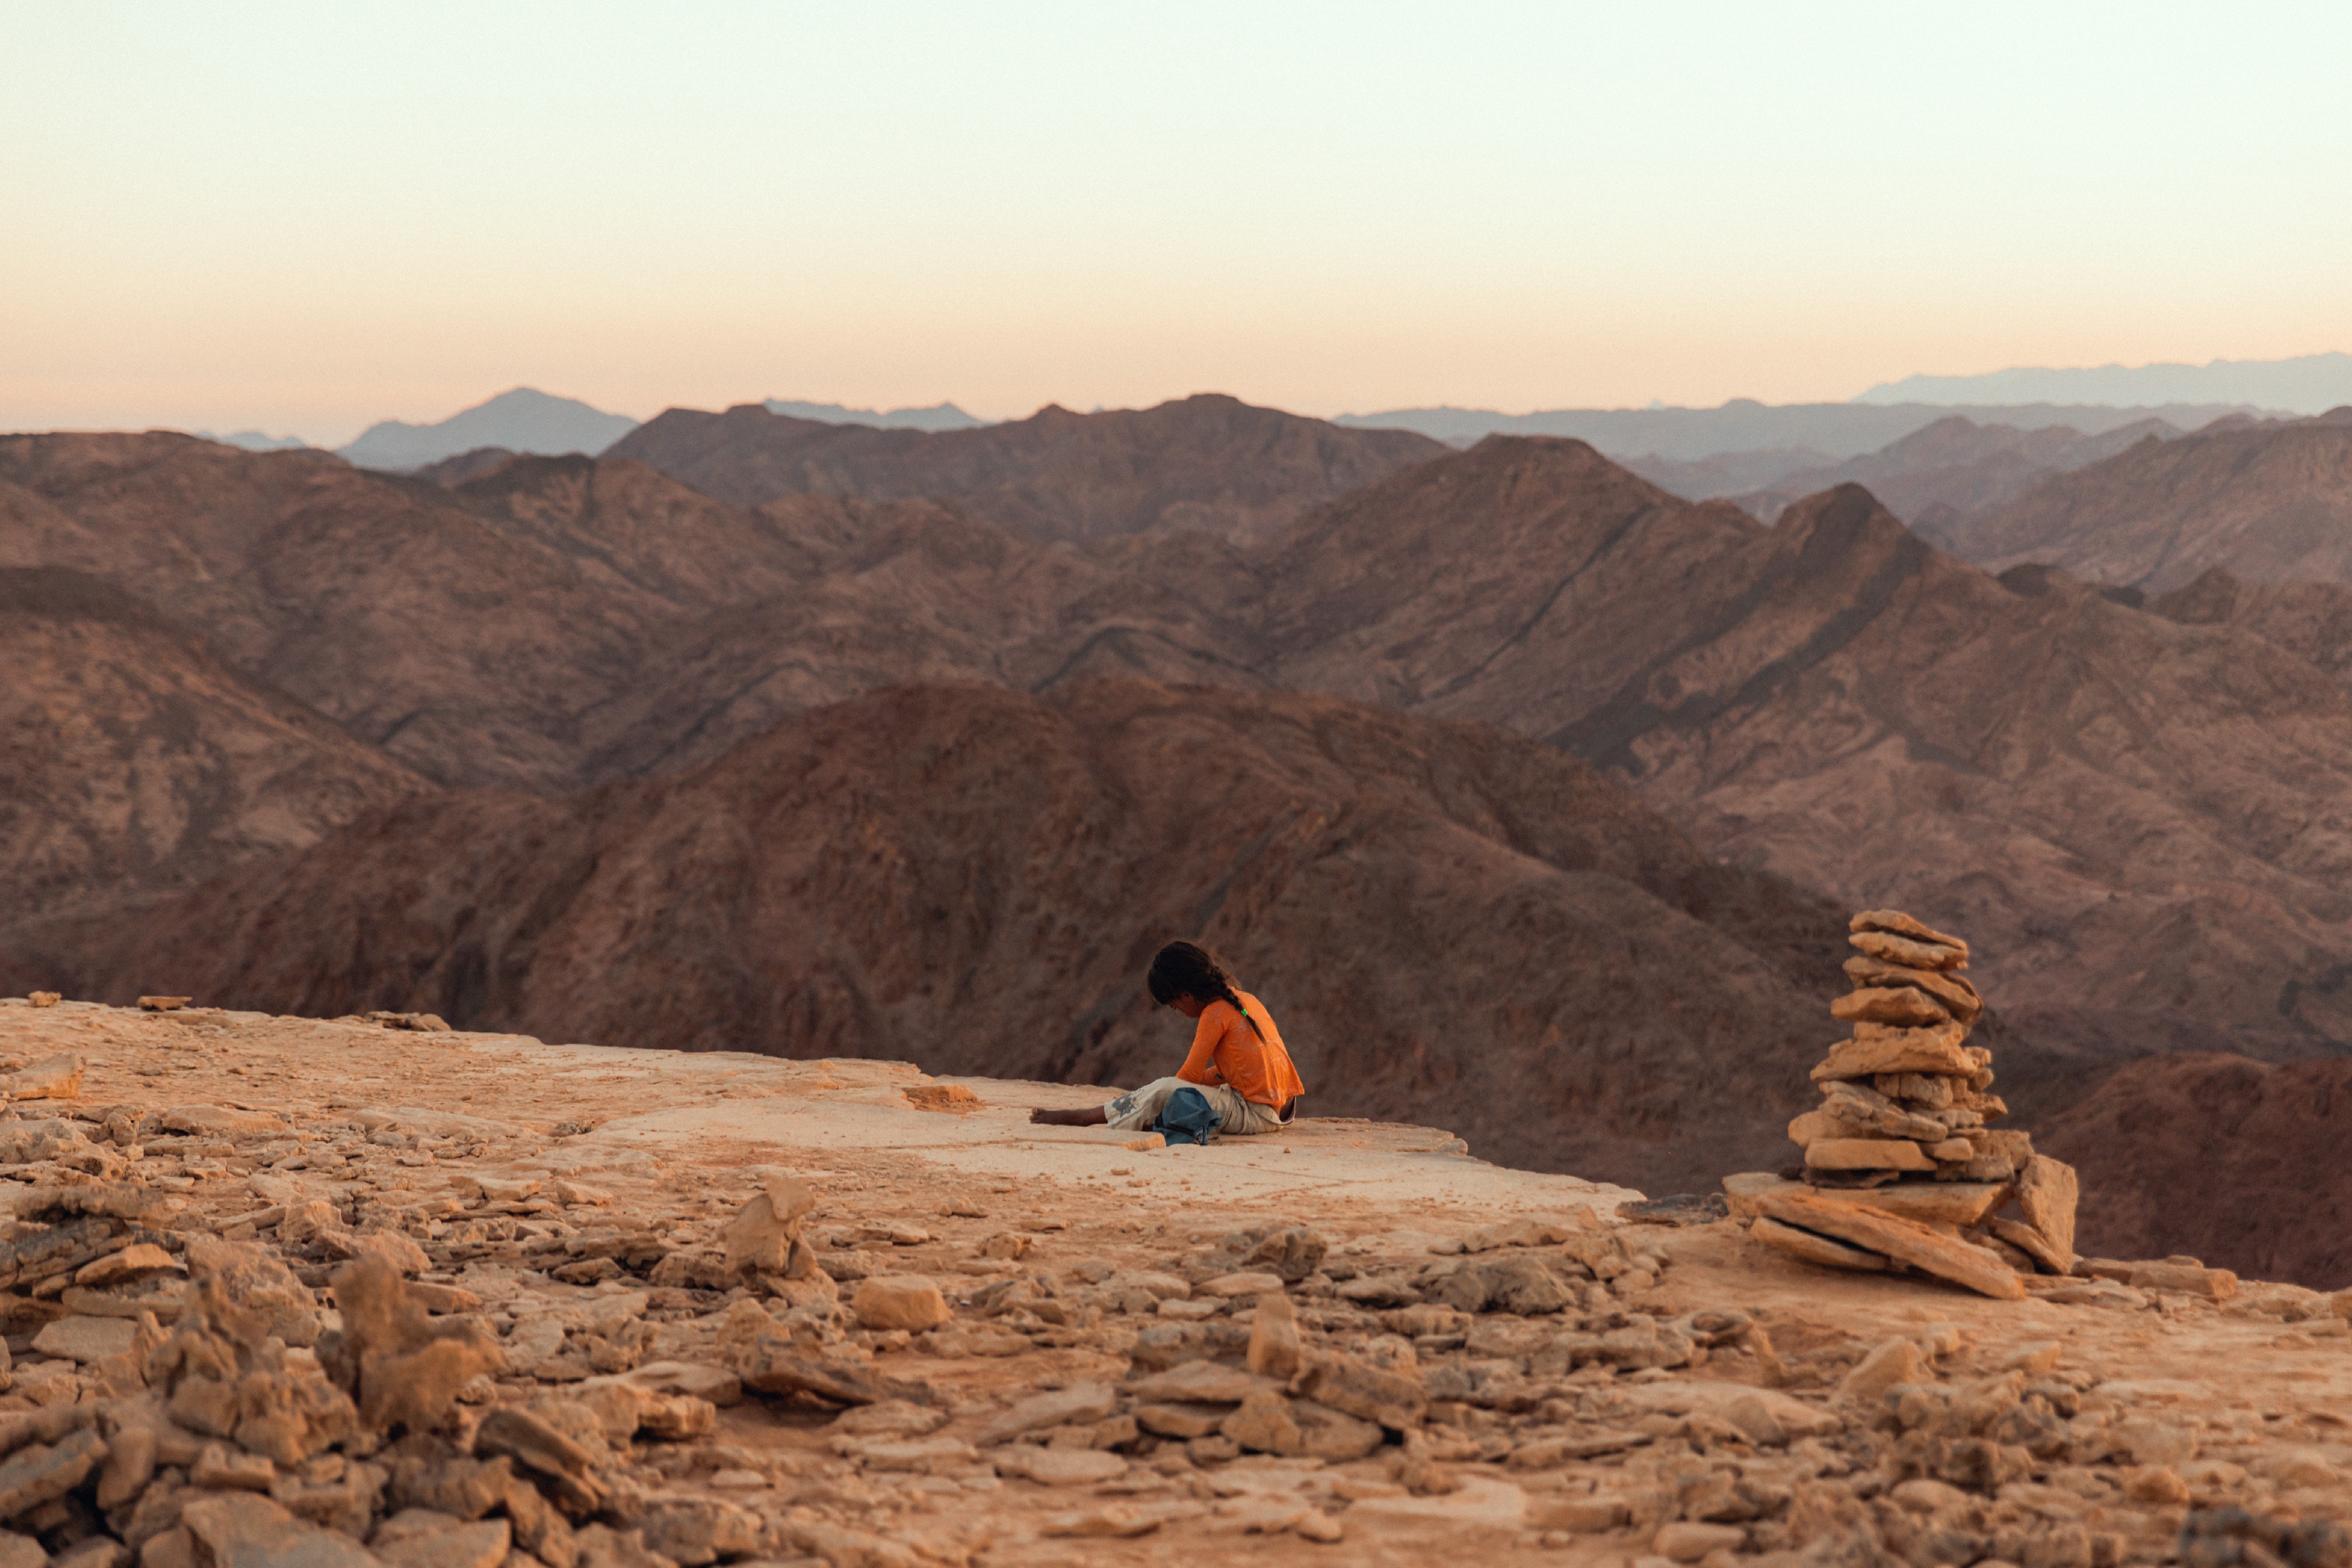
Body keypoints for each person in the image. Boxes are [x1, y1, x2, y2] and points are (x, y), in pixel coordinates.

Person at [1029, 940, 1305, 1135]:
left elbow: (1188, 1078)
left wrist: (1162, 1093)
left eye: (1175, 1006)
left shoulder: (1214, 1015)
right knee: (1176, 1091)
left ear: (1186, 995)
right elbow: (1232, 1071)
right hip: (1283, 1110)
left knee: (1164, 1089)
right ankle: (1146, 1118)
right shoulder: (1244, 1000)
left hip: (1258, 1115)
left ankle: (1083, 1117)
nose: (1178, 1011)